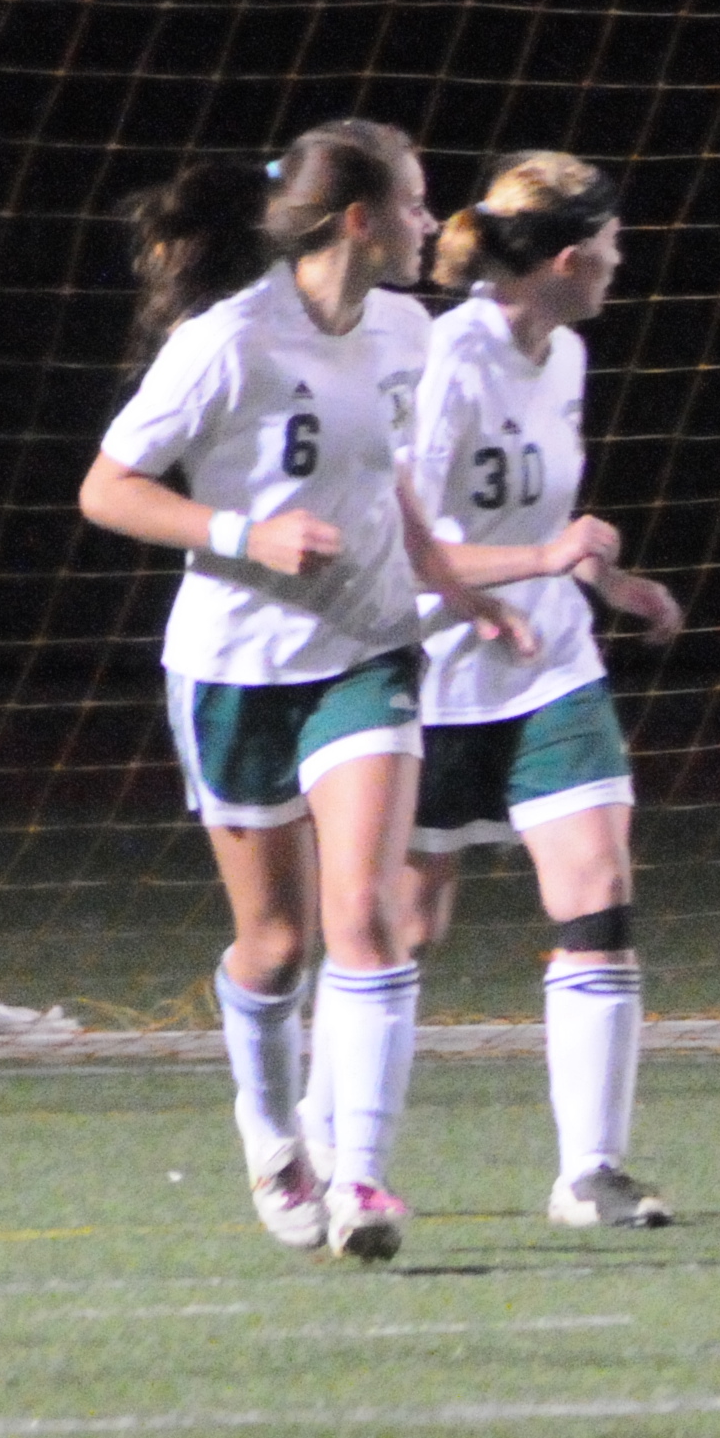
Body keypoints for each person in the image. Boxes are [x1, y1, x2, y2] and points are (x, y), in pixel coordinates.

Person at [80, 123, 530, 1266]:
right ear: (361, 220)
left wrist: (451, 582)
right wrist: (246, 534)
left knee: (366, 914)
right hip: (235, 669)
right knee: (275, 946)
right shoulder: (227, 341)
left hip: (368, 650)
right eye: (417, 204)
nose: (433, 223)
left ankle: (362, 1176)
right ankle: (274, 1133)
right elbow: (108, 489)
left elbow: (394, 484)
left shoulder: (406, 330)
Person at [400, 153, 692, 1231]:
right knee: (400, 929)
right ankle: (335, 1150)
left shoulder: (563, 354)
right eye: (611, 245)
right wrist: (539, 562)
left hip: (553, 667)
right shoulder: (446, 359)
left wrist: (605, 581)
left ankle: (591, 1173)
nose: (621, 262)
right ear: (567, 258)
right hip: (434, 674)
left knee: (598, 892)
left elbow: (537, 520)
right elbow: (402, 544)